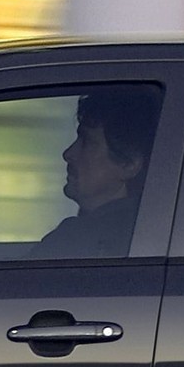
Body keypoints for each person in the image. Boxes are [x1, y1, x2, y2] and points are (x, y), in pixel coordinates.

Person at [30, 87, 159, 258]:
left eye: (88, 143)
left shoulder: (77, 240)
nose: (68, 154)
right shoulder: (150, 230)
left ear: (128, 165)